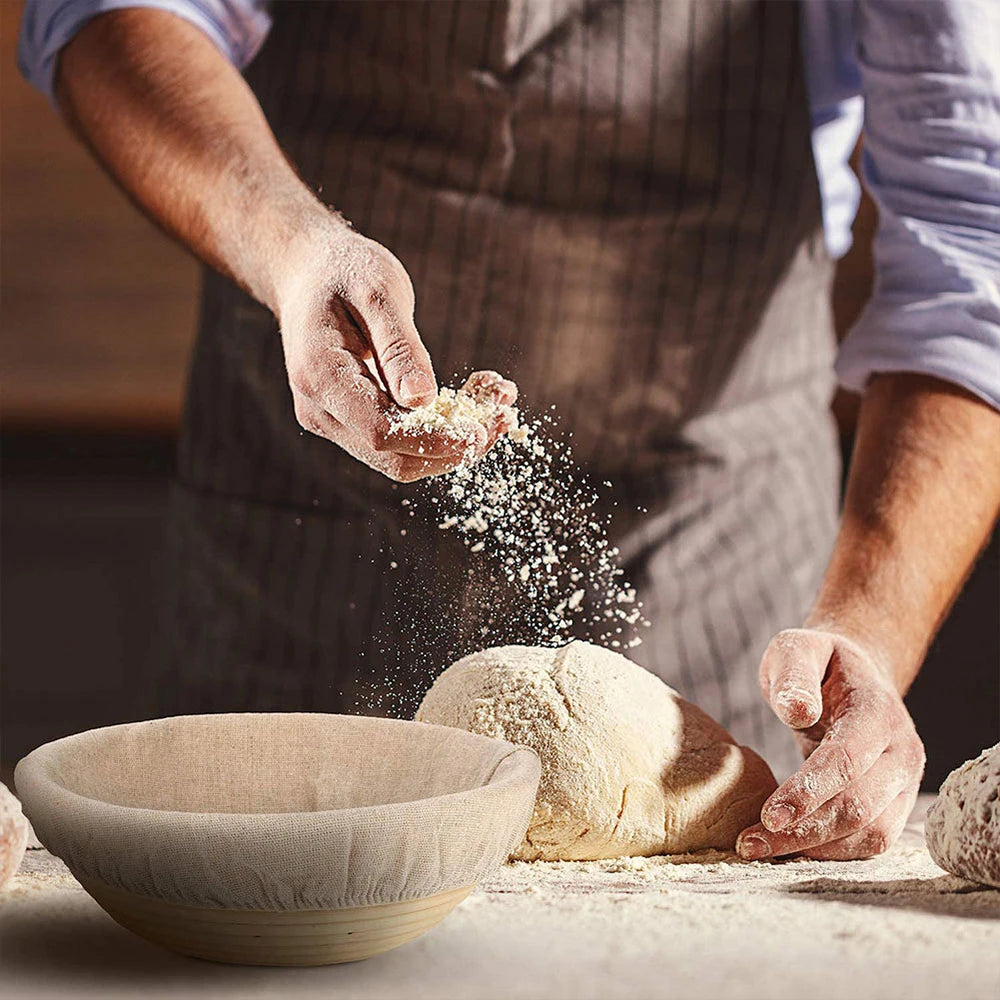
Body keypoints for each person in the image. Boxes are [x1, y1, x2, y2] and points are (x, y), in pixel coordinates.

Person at [18, 0, 999, 861]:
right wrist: (292, 248)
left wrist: (869, 630)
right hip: (302, 534)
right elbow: (111, 12)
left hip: (710, 545)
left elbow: (971, 244)